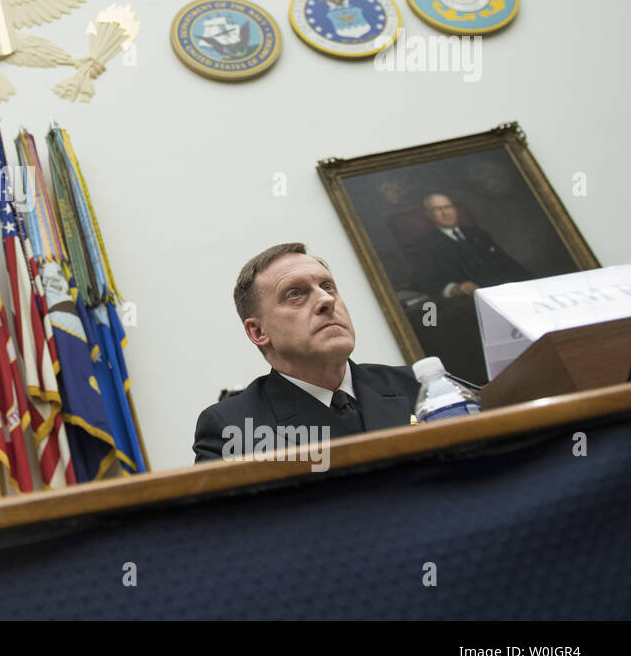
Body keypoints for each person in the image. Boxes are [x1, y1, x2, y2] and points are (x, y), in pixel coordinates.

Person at [192, 243, 420, 462]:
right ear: (258, 331)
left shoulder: (418, 386)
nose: (326, 300)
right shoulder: (232, 429)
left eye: (328, 287)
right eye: (294, 294)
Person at [410, 193, 531, 298]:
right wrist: (455, 288)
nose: (446, 213)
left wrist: (530, 282)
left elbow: (505, 260)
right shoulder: (425, 245)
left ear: (454, 209)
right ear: (428, 215)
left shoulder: (478, 233)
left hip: (505, 290)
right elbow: (424, 281)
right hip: (472, 299)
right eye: (438, 209)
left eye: (448, 207)